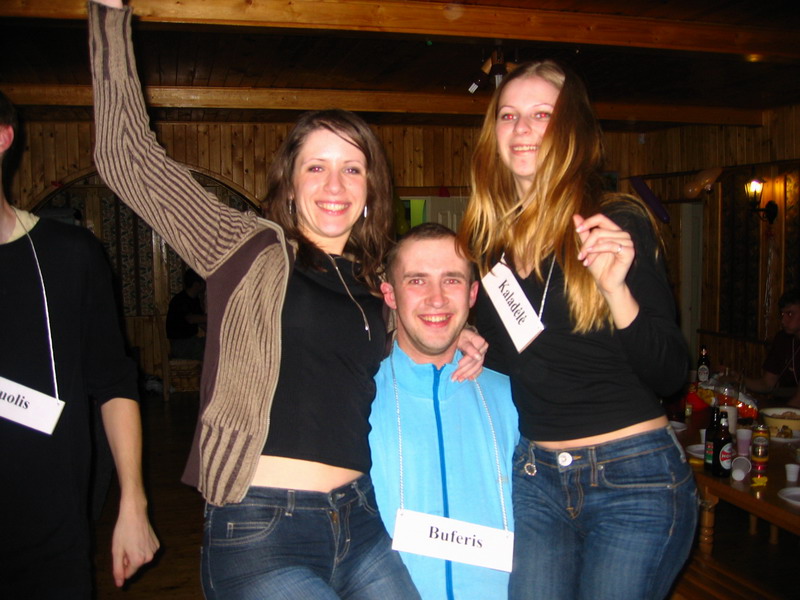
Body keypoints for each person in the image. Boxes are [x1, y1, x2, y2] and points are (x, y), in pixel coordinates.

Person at [88, 2, 483, 598]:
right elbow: (127, 159)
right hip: (260, 523)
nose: (334, 185)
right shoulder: (244, 248)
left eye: (352, 169)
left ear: (371, 189)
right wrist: (109, 14)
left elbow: (421, 328)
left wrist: (463, 334)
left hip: (361, 519)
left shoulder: (373, 283)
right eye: (316, 167)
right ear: (290, 184)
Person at [458, 61, 698, 600]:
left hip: (632, 478)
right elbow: (528, 358)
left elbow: (670, 374)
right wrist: (467, 338)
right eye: (508, 115)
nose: (522, 128)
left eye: (541, 114)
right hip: (537, 479)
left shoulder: (615, 222)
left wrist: (616, 291)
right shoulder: (491, 245)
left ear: (572, 129)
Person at [0, 90, 159, 598]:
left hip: (51, 539)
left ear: (3, 137)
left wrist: (133, 502)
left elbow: (114, 382)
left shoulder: (69, 255)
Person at [369, 223, 518, 600]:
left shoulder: (515, 399)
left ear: (472, 294)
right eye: (417, 281)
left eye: (451, 280)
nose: (436, 299)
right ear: (390, 294)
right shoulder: (356, 399)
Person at [743, 288, 800, 406]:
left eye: (790, 314)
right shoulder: (782, 339)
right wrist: (737, 378)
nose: (783, 320)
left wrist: (778, 414)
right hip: (784, 404)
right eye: (782, 314)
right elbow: (767, 383)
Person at [166, 268, 207, 360]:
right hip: (180, 346)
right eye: (203, 282)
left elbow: (201, 323)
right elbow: (191, 319)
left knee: (217, 345)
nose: (205, 284)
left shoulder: (195, 300)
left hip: (191, 342)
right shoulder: (180, 300)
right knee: (211, 350)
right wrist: (215, 317)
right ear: (196, 284)